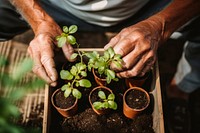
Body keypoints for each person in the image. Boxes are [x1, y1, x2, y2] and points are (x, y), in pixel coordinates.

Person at [0, 0, 200, 132]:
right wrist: (40, 21)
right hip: (54, 7)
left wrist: (160, 25)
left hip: (149, 7)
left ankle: (180, 89)